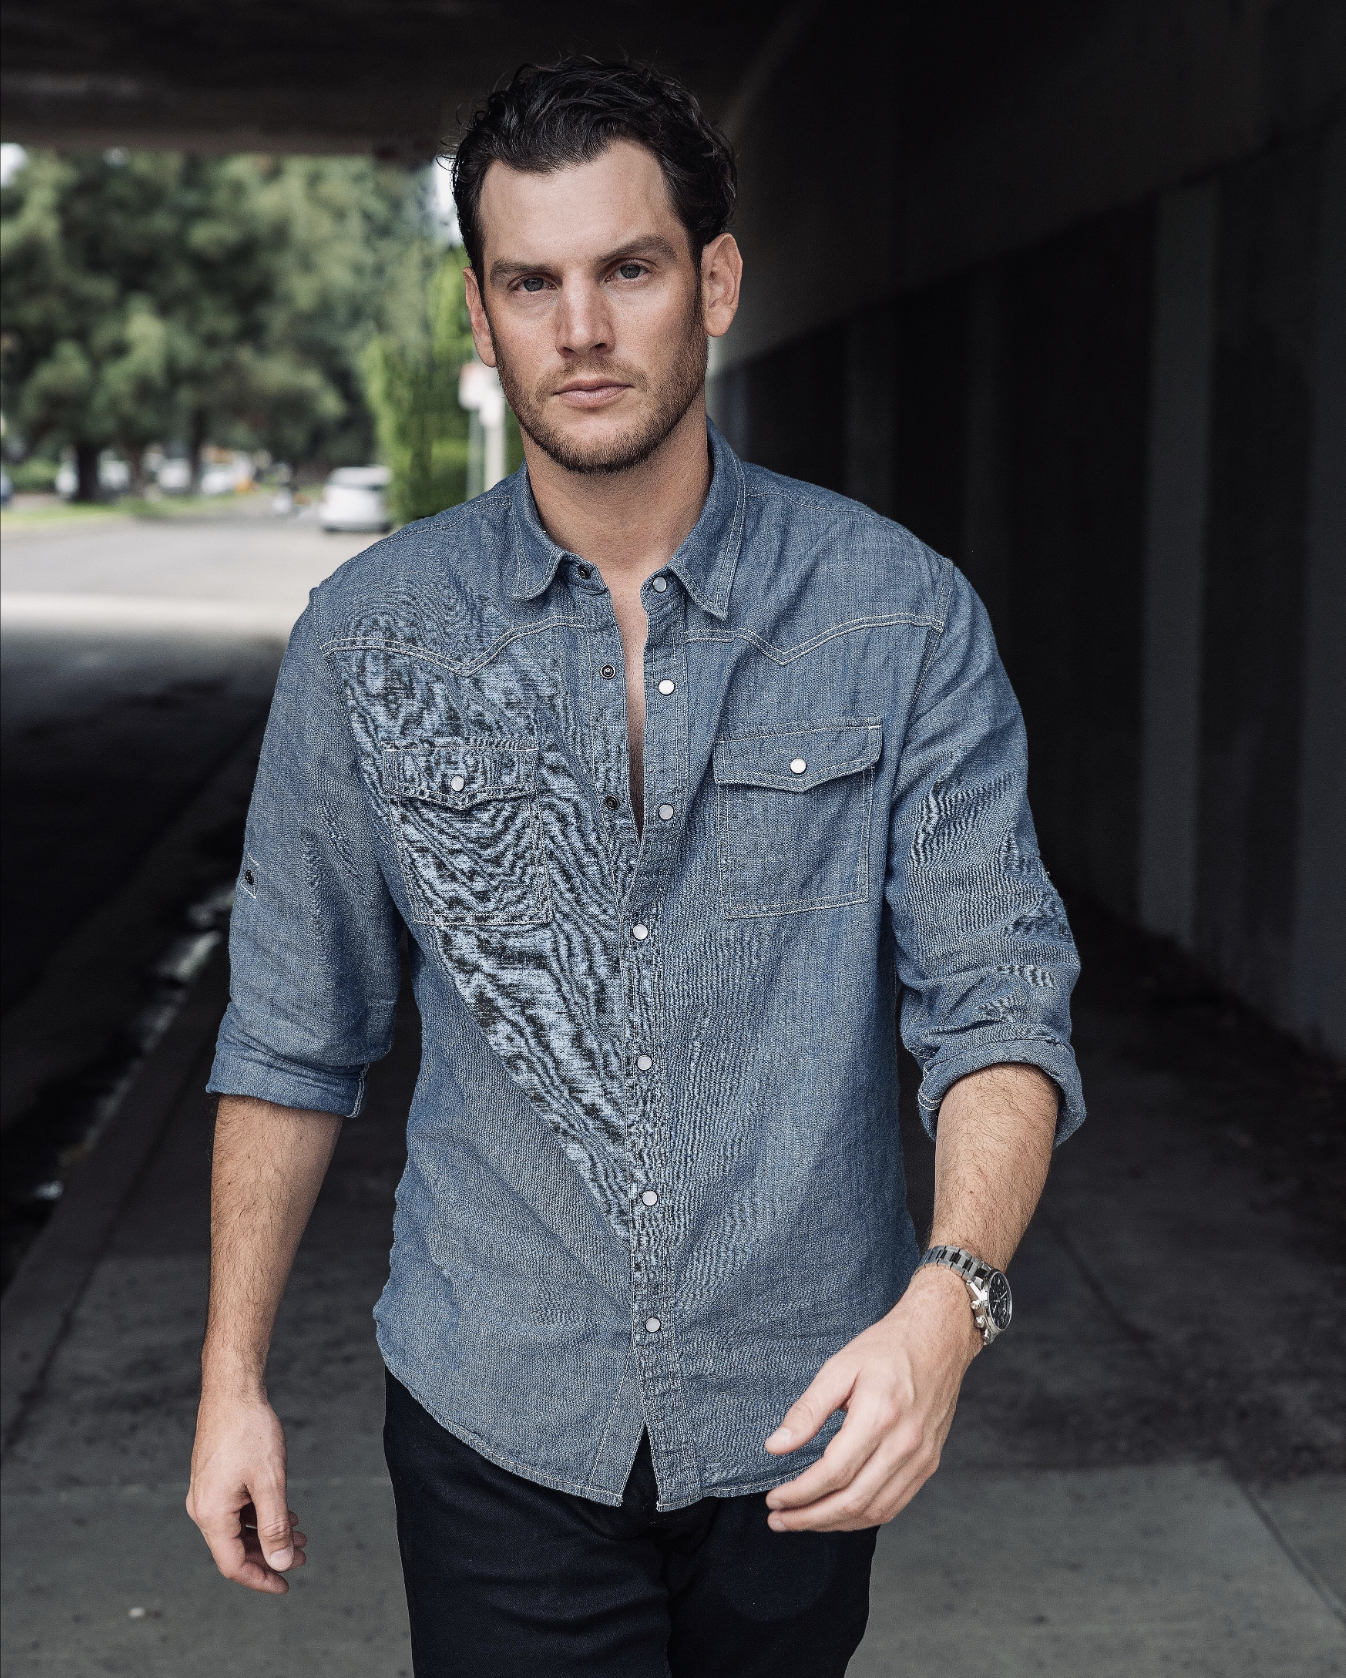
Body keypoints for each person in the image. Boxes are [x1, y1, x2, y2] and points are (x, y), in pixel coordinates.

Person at [187, 58, 1084, 1677]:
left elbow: (996, 1002)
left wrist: (946, 1305)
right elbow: (290, 1035)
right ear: (481, 315)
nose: (581, 328)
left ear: (715, 283)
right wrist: (230, 1377)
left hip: (802, 1414)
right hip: (498, 1406)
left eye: (629, 268)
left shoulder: (896, 615)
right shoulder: (370, 640)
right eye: (530, 282)